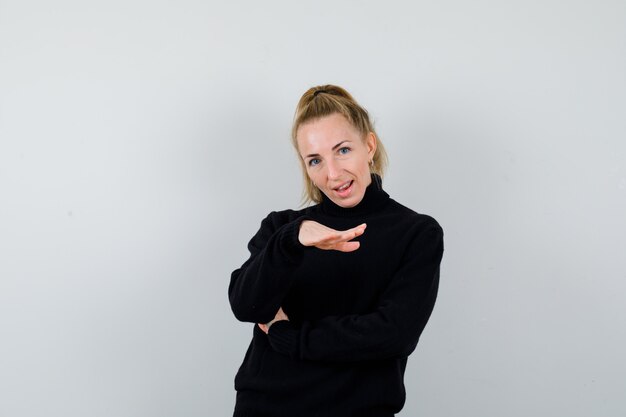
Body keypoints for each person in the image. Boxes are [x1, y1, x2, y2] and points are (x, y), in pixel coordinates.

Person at [228, 84, 444, 417]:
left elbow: (393, 334)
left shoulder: (416, 234)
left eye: (342, 150)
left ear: (368, 146)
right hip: (264, 407)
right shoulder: (281, 229)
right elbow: (246, 305)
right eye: (315, 160)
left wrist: (288, 336)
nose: (332, 174)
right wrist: (291, 241)